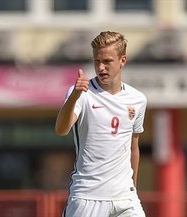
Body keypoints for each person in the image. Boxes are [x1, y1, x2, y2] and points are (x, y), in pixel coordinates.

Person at [55, 31, 147, 217]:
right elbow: (61, 130)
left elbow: (133, 146)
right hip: (88, 196)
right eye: (97, 61)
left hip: (125, 197)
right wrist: (74, 97)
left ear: (122, 60)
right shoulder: (81, 93)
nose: (101, 67)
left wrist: (132, 188)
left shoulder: (137, 99)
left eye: (107, 61)